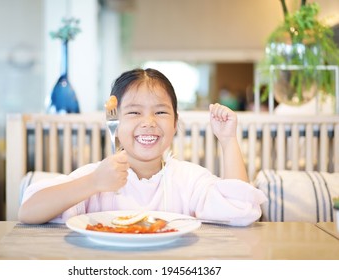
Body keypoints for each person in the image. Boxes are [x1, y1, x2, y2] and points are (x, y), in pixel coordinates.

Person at [18, 68, 267, 226]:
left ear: (175, 123)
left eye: (160, 112)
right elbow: (29, 211)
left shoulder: (189, 179)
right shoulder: (97, 177)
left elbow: (241, 210)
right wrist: (93, 182)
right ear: (114, 121)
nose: (148, 123)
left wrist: (227, 139)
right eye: (134, 112)